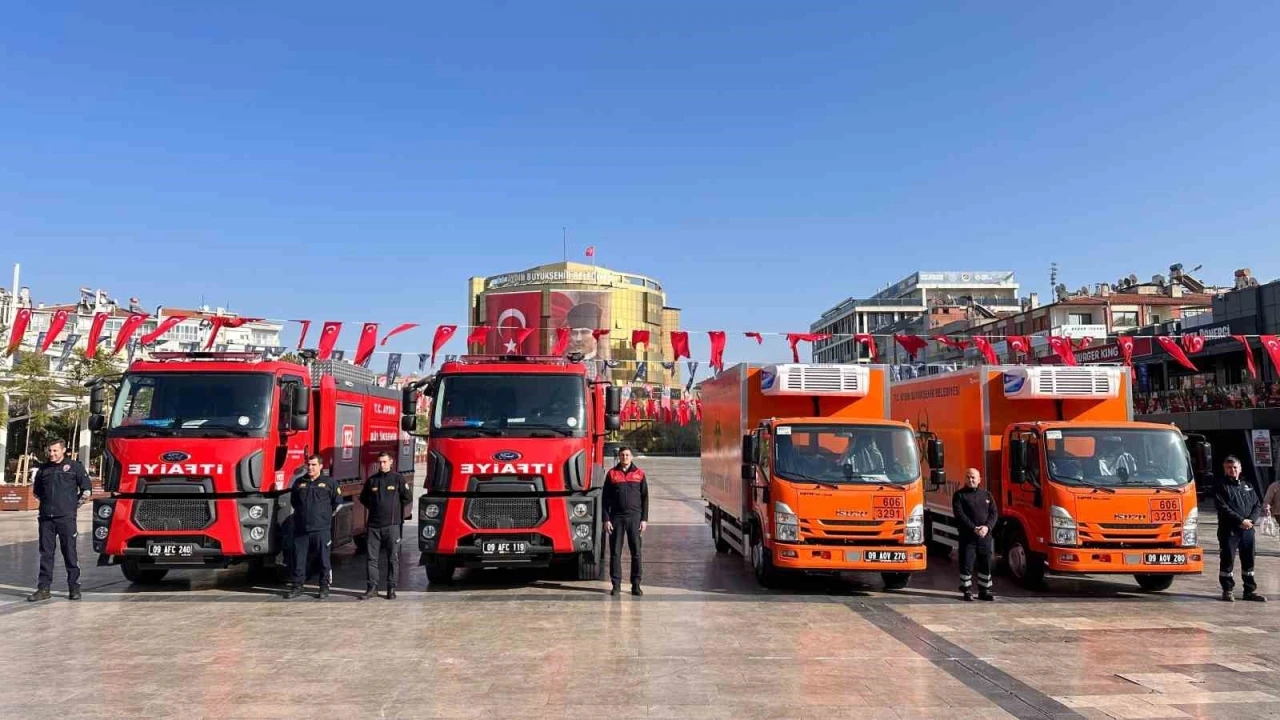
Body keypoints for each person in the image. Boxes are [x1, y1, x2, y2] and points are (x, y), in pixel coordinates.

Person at [28, 440, 93, 602]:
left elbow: (86, 490)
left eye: (55, 450)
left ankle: (74, 588)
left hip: (66, 518)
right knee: (46, 554)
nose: (52, 454)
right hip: (46, 519)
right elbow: (37, 492)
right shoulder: (43, 469)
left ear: (63, 450)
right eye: (50, 450)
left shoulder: (74, 467)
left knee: (69, 552)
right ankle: (43, 588)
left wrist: (73, 506)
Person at [359, 452, 412, 600]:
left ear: (391, 462)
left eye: (384, 462)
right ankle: (372, 588)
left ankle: (391, 588)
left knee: (392, 558)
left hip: (392, 526)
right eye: (380, 462)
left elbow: (407, 498)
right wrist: (376, 508)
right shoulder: (372, 481)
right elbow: (363, 499)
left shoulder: (398, 479)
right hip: (374, 526)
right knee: (371, 558)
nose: (382, 465)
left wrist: (394, 511)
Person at [286, 455, 340, 600]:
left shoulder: (329, 483)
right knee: (299, 559)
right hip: (301, 529)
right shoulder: (299, 483)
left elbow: (336, 503)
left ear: (320, 466)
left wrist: (324, 517)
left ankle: (324, 587)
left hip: (321, 529)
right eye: (308, 465)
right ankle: (297, 586)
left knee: (323, 559)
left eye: (313, 465)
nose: (310, 468)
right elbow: (295, 502)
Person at [1214, 456, 1265, 602]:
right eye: (1229, 468)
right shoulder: (1220, 486)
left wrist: (1251, 521)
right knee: (1227, 560)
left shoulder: (1247, 485)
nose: (1233, 470)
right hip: (1229, 530)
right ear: (1225, 469)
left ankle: (1249, 590)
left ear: (1240, 468)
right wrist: (1240, 520)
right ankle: (1227, 590)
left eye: (1235, 467)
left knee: (1249, 560)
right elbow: (1223, 508)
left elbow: (1257, 505)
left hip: (1248, 530)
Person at [603, 447, 648, 596]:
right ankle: (616, 585)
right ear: (619, 457)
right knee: (615, 553)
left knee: (636, 552)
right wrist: (606, 519)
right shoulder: (612, 474)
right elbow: (604, 499)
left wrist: (644, 519)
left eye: (627, 455)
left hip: (634, 518)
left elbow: (645, 498)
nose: (625, 457)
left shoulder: (639, 474)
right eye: (622, 455)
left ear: (632, 457)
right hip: (616, 518)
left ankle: (636, 585)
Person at [952, 467, 997, 601]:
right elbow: (960, 515)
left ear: (979, 480)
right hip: (968, 536)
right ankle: (967, 590)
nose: (970, 479)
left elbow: (994, 513)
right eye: (968, 477)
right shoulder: (959, 495)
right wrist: (974, 528)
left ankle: (984, 591)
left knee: (986, 563)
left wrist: (987, 528)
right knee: (967, 563)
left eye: (973, 477)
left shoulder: (987, 495)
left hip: (985, 537)